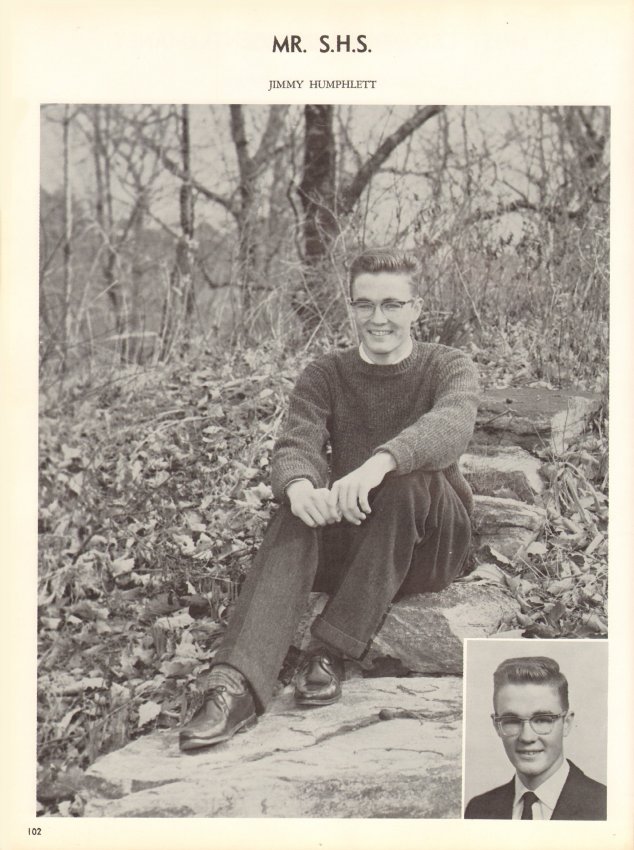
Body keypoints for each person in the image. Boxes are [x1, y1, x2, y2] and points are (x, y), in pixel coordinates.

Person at [179, 247, 479, 752]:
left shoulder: (447, 365)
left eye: (392, 304)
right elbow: (297, 442)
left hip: (429, 545)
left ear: (416, 308)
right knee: (296, 508)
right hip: (359, 539)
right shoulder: (326, 373)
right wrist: (299, 486)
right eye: (365, 305)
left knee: (408, 481)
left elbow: (452, 425)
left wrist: (379, 463)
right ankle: (235, 684)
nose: (378, 318)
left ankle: (328, 649)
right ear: (351, 307)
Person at [464, 656, 607, 820]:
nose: (527, 737)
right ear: (497, 726)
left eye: (542, 720)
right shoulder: (477, 809)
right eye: (512, 721)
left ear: (566, 723)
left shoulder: (605, 806)